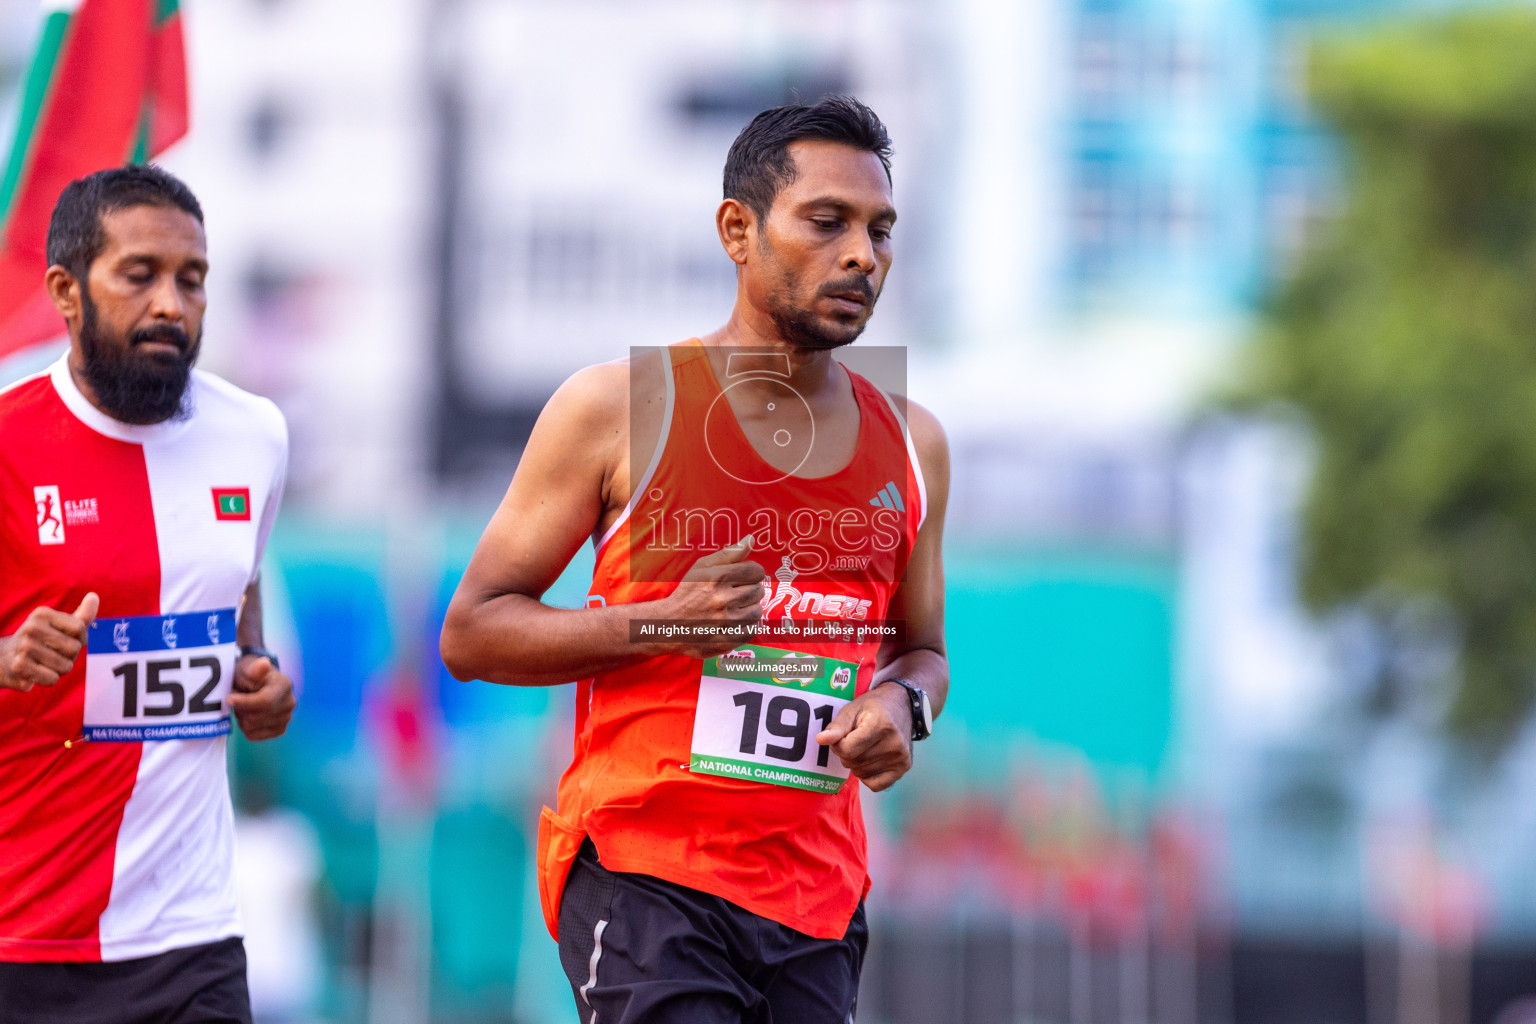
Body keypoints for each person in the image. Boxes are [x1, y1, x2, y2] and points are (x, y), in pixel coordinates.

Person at [442, 96, 949, 1023]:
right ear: (737, 230)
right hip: (648, 880)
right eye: (827, 222)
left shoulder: (914, 441)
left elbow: (922, 654)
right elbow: (472, 634)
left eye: (881, 230)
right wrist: (663, 622)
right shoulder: (619, 407)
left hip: (819, 901)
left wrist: (899, 705)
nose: (862, 255)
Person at [0, 165, 294, 1024]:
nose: (172, 302)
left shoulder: (256, 435)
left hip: (190, 937)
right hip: (24, 941)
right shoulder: (9, 442)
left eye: (192, 279)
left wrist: (260, 672)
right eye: (141, 275)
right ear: (66, 289)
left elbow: (241, 596)